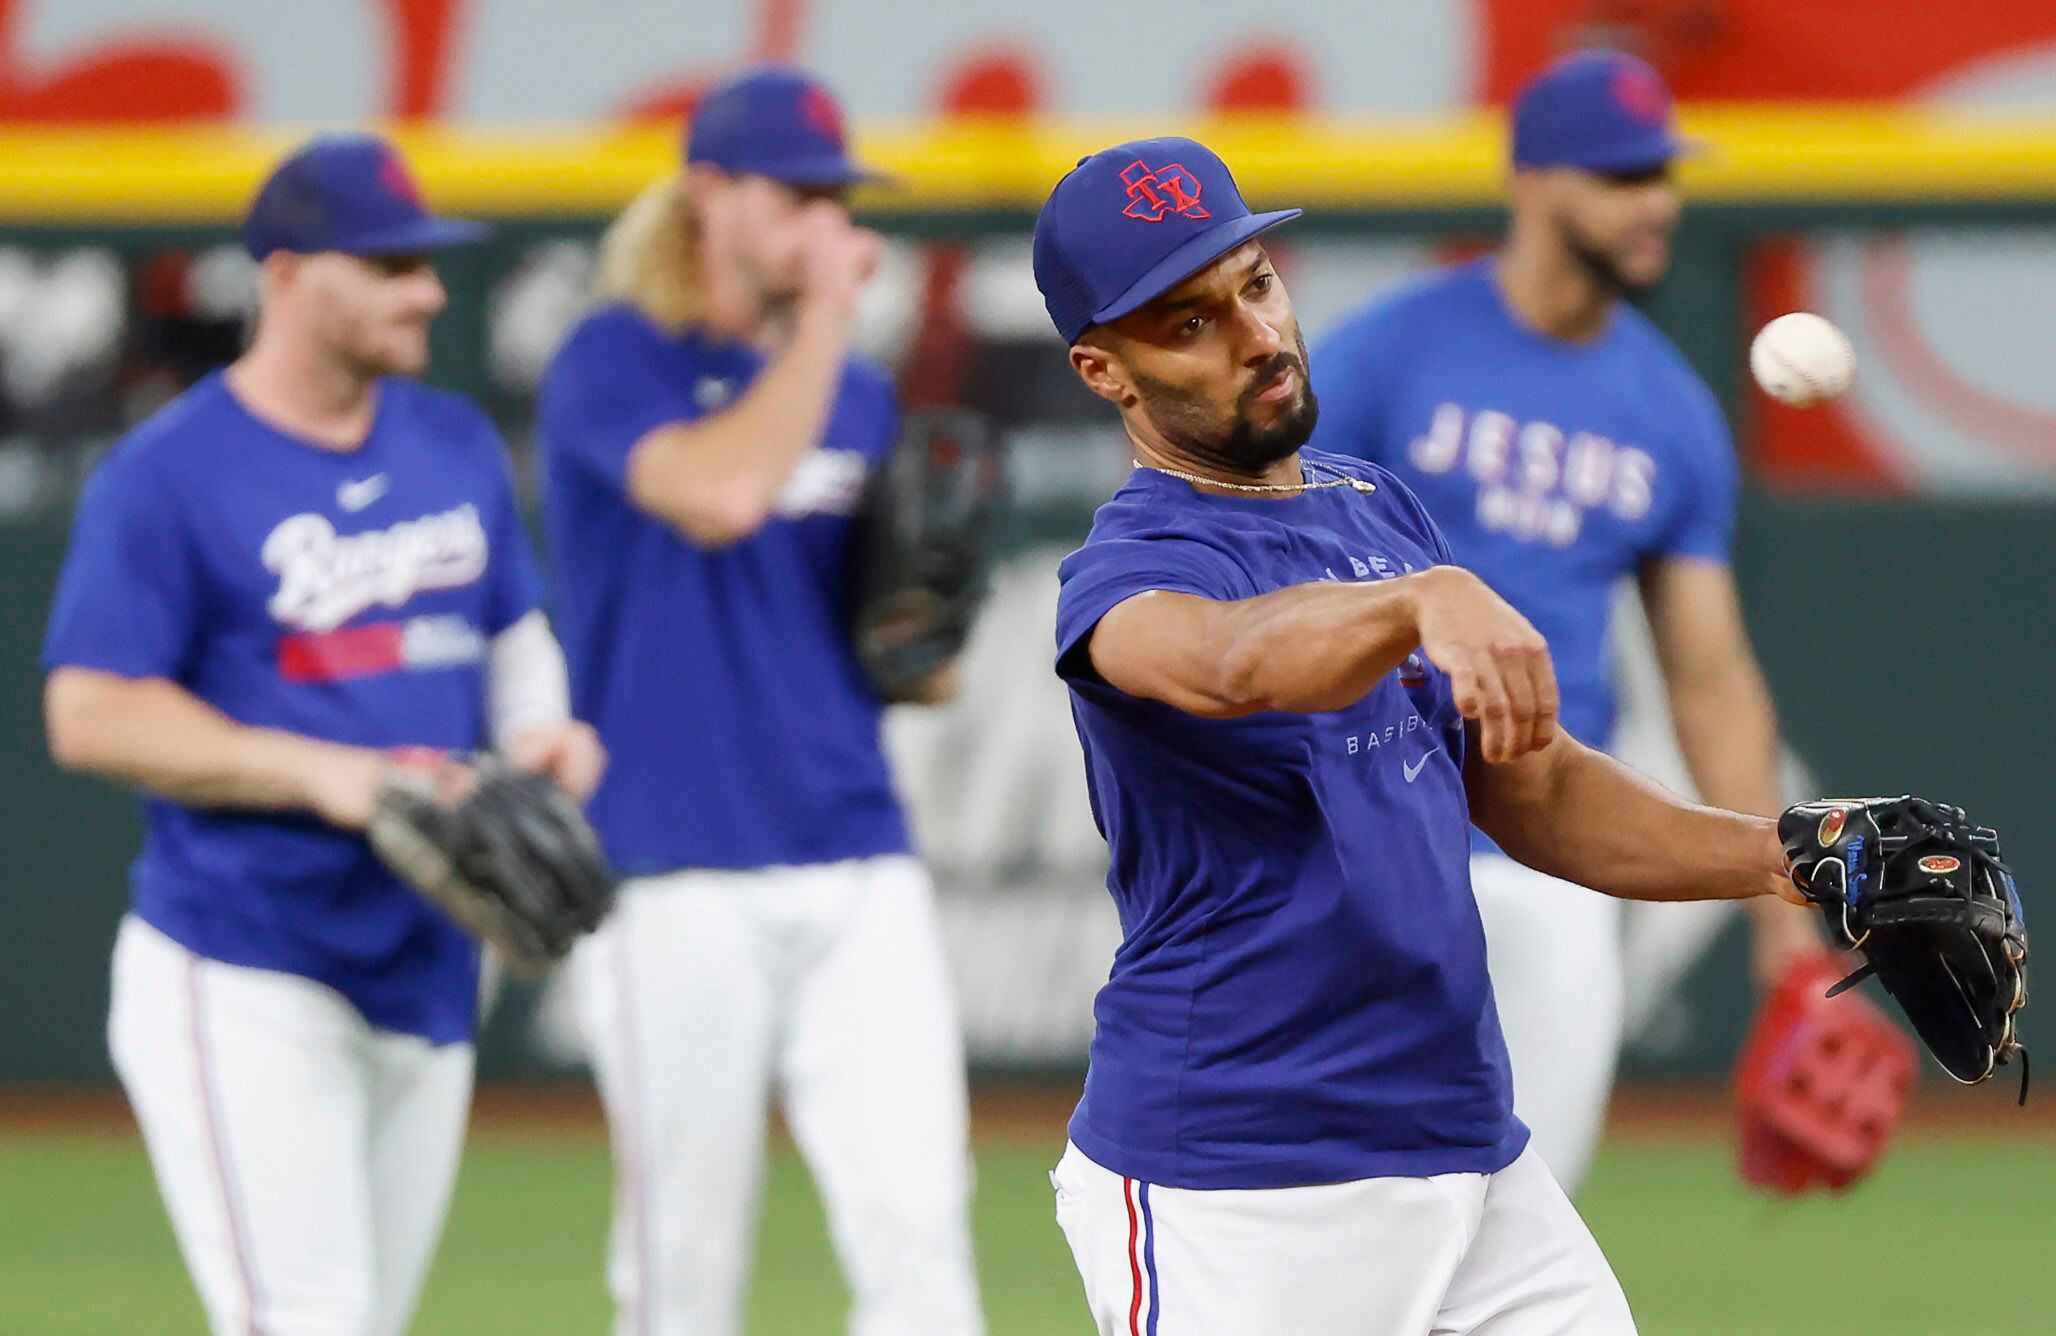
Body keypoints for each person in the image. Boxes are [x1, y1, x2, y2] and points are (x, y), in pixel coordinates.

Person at [1031, 134, 1818, 1334]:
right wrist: (1412, 602)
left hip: (1469, 1157)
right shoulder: (1128, 569)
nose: (1252, 333)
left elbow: (1534, 791)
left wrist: (1793, 852)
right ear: (1106, 372)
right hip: (1237, 1185)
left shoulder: (1372, 505)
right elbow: (1231, 661)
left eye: (1253, 282)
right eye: (1186, 322)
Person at [40, 132, 604, 1336]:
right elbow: (87, 710)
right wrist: (327, 774)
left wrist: (541, 731)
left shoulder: (451, 442)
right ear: (288, 275)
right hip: (245, 961)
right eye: (391, 266)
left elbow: (513, 629)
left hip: (428, 956)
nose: (428, 293)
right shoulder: (167, 472)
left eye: (426, 264)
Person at [1307, 49, 1819, 1193]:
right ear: (1532, 180)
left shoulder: (1670, 412)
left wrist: (1783, 904)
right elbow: (1272, 553)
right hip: (1381, 834)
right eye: (1622, 175)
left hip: (1555, 851)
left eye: (1663, 174)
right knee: (1352, 1205)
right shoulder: (1391, 352)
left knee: (1523, 1214)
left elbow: (1710, 676)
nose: (1658, 203)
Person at [536, 65, 984, 1336]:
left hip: (853, 844)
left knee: (918, 1227)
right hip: (672, 860)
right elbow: (718, 492)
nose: (830, 226)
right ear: (707, 196)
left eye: (838, 198)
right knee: (683, 1262)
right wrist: (830, 326)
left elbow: (903, 658)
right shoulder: (612, 358)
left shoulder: (853, 390)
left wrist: (926, 626)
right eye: (799, 196)